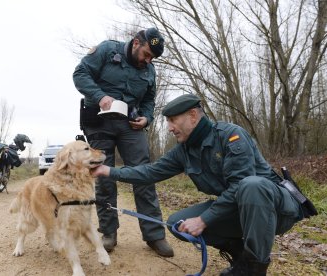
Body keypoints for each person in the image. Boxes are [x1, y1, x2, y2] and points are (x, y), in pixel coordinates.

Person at [91, 93, 305, 275]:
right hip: (240, 210)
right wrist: (108, 171)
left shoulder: (231, 135)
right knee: (178, 223)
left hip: (276, 210)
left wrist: (204, 220)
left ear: (192, 116)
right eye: (167, 122)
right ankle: (241, 254)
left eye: (173, 120)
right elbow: (150, 172)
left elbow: (240, 186)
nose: (170, 128)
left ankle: (254, 269)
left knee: (251, 186)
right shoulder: (183, 151)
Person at [72, 27, 174, 257]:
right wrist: (100, 96)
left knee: (143, 173)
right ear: (137, 42)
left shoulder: (150, 70)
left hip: (130, 125)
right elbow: (80, 74)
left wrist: (146, 118)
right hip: (99, 122)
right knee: (104, 177)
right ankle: (109, 232)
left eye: (152, 58)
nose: (148, 60)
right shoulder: (108, 50)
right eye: (147, 54)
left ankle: (154, 234)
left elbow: (149, 100)